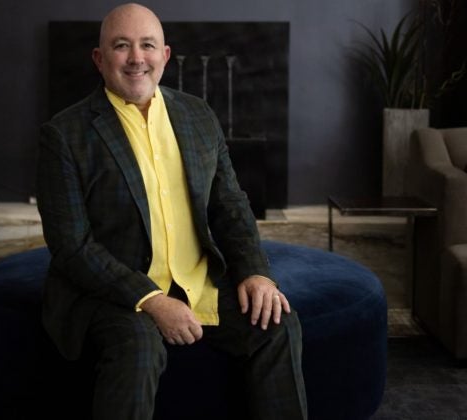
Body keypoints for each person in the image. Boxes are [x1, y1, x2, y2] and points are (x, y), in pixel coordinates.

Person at [36, 3, 307, 419]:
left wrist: (255, 272)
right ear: (99, 58)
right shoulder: (64, 134)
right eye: (121, 46)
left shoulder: (198, 116)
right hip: (115, 293)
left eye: (147, 45)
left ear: (164, 56)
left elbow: (230, 205)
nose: (136, 58)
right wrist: (152, 300)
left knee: (275, 324)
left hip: (198, 282)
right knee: (139, 346)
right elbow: (72, 246)